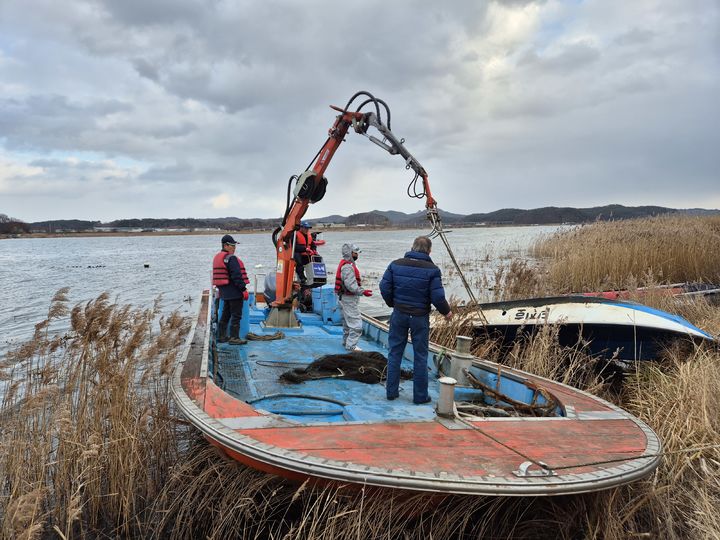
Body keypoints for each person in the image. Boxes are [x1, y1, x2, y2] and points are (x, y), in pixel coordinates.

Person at [379, 236, 453, 404]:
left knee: (394, 353)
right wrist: (446, 312)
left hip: (399, 314)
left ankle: (391, 392)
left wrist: (393, 303)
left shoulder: (395, 264)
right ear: (429, 251)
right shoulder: (432, 270)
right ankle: (420, 397)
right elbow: (438, 296)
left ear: (412, 248)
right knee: (420, 356)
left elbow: (384, 287)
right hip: (420, 317)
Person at [212, 234, 250, 345]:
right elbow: (236, 276)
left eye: (235, 245)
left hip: (225, 293)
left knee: (226, 314)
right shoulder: (231, 258)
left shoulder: (218, 257)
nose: (234, 247)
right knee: (236, 315)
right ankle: (234, 338)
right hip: (234, 292)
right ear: (226, 245)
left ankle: (222, 336)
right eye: (232, 245)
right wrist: (243, 289)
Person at [335, 243, 372, 351]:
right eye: (355, 253)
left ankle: (346, 342)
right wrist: (362, 291)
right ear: (350, 253)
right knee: (356, 325)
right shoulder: (347, 267)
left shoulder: (346, 264)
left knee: (347, 323)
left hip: (343, 298)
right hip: (348, 299)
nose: (357, 255)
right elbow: (351, 285)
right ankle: (351, 346)